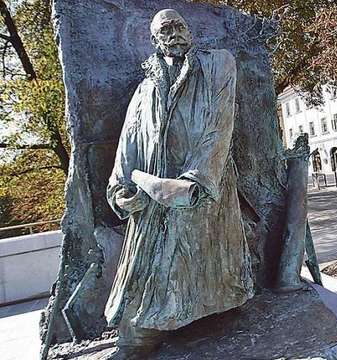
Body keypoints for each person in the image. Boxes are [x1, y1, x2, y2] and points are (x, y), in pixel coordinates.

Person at [105, 9, 253, 357]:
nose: (174, 34)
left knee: (206, 262)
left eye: (179, 26)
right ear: (155, 41)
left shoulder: (218, 64)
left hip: (201, 184)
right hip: (152, 192)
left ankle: (214, 313)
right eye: (165, 30)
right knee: (151, 269)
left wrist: (194, 181)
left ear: (190, 30)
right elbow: (129, 140)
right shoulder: (143, 90)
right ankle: (145, 329)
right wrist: (120, 187)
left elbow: (220, 123)